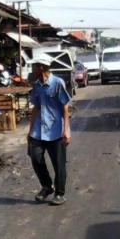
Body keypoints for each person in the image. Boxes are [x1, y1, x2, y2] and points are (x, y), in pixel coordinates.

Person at [27, 54, 71, 206]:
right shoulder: (37, 85)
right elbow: (36, 107)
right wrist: (30, 129)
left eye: (34, 67)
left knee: (58, 164)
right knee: (35, 156)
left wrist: (66, 130)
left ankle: (60, 193)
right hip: (38, 130)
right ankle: (47, 186)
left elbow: (65, 106)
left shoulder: (57, 83)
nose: (31, 69)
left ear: (40, 68)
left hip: (55, 130)